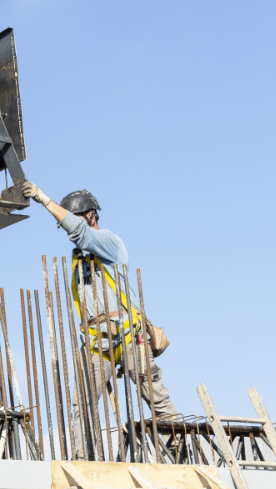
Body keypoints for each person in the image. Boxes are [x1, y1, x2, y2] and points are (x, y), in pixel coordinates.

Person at [20, 181, 180, 423]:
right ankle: (82, 449)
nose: (66, 225)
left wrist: (44, 199)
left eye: (72, 218)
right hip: (97, 343)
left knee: (157, 400)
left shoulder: (108, 242)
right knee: (81, 408)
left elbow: (80, 232)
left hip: (129, 336)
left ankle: (175, 441)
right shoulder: (79, 260)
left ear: (91, 216)